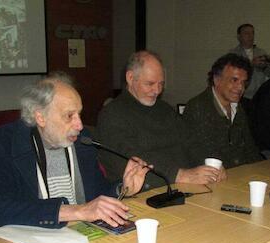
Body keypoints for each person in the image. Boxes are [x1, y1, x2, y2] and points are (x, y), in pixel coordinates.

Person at [0, 72, 149, 243]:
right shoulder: (4, 142)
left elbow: (96, 196)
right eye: (69, 116)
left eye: (79, 114)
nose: (79, 124)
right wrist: (76, 211)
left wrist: (123, 188)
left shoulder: (82, 140)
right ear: (40, 117)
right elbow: (1, 208)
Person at [96, 50, 225, 190]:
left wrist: (212, 163)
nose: (157, 91)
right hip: (146, 193)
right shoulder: (112, 115)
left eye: (161, 84)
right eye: (150, 84)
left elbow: (191, 141)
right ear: (130, 77)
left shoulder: (165, 109)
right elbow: (132, 159)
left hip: (185, 188)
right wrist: (180, 175)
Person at [183, 53, 262, 169]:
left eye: (243, 82)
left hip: (241, 174)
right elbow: (204, 156)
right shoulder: (197, 108)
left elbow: (250, 149)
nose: (240, 88)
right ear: (216, 80)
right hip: (216, 177)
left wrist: (261, 170)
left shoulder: (238, 108)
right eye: (234, 80)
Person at [230, 23, 270, 101]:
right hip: (241, 96)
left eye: (252, 33)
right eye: (246, 33)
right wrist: (251, 64)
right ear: (239, 37)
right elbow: (232, 74)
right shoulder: (233, 54)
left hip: (260, 96)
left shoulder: (261, 52)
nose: (250, 36)